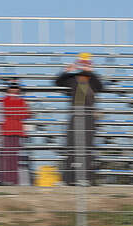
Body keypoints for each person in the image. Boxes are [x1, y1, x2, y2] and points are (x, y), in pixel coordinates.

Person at [55, 52, 104, 185]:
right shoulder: (73, 79)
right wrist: (66, 71)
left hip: (88, 117)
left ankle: (87, 178)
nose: (84, 66)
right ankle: (69, 179)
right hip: (75, 116)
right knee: (71, 147)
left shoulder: (93, 80)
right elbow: (57, 82)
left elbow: (101, 87)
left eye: (87, 63)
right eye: (82, 63)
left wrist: (90, 72)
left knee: (87, 148)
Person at [0, 80, 31, 185]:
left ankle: (13, 180)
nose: (14, 90)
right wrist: (20, 112)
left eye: (16, 88)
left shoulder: (22, 100)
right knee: (7, 156)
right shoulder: (5, 100)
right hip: (8, 131)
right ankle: (6, 179)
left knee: (15, 157)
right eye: (12, 87)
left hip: (17, 131)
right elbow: (8, 112)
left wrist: (18, 113)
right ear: (8, 89)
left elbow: (27, 114)